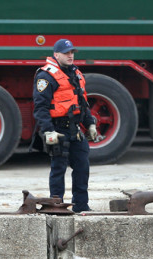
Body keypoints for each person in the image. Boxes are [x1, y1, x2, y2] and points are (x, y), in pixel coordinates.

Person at [33, 38, 100, 213]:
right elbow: (41, 108)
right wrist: (48, 131)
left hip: (75, 130)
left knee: (82, 167)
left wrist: (90, 124)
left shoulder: (75, 73)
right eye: (66, 53)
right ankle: (56, 206)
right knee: (58, 168)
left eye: (72, 53)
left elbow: (82, 102)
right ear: (56, 54)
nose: (70, 56)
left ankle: (81, 205)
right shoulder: (45, 76)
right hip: (58, 129)